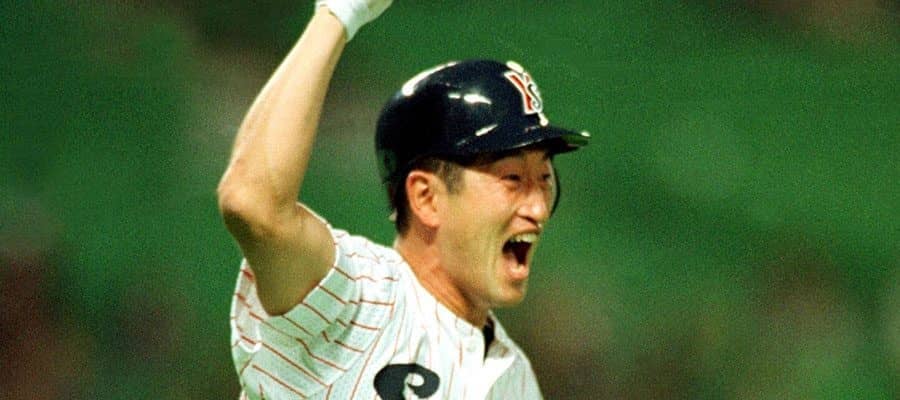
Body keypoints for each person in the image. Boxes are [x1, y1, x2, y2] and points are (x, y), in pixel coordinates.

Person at [217, 1, 589, 398]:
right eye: (512, 179)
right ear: (426, 197)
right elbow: (252, 205)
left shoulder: (518, 379)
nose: (537, 209)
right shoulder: (359, 298)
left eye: (544, 180)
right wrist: (337, 16)